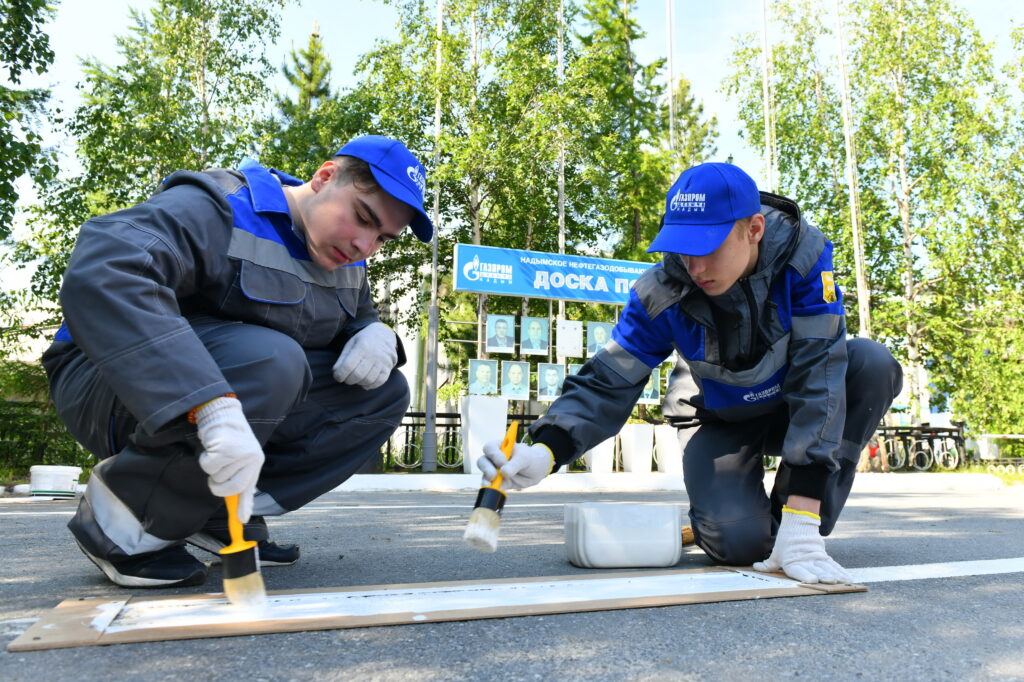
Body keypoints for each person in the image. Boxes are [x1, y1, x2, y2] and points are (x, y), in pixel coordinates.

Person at [478, 162, 903, 585]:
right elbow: (609, 378)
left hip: (792, 406)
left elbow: (820, 377)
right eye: (684, 247)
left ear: (753, 229)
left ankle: (799, 528)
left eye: (708, 247)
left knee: (872, 364)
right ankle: (749, 531)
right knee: (737, 546)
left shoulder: (804, 262)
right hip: (717, 416)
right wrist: (546, 451)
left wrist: (803, 521)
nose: (694, 266)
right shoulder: (662, 291)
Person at [41, 135, 433, 589]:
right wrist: (210, 404)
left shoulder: (346, 260)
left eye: (383, 237)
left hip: (233, 383)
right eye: (363, 217)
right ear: (325, 177)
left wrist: (375, 332)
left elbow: (354, 322)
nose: (365, 245)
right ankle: (125, 520)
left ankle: (208, 509)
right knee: (274, 359)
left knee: (382, 391)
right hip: (106, 381)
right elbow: (108, 267)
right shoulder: (220, 205)